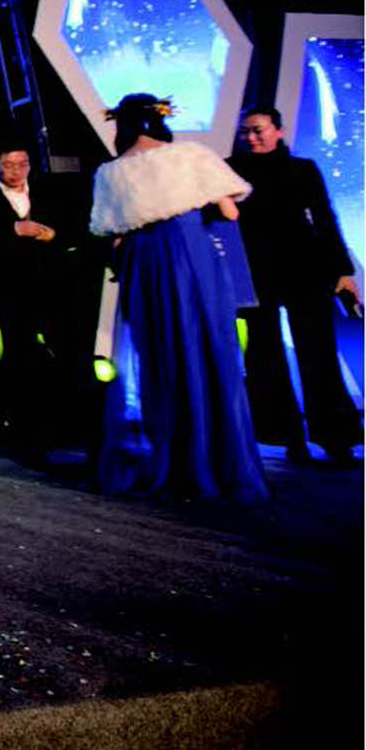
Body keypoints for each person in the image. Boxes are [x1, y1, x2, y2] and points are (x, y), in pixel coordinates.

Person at [90, 93, 265, 502]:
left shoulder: (111, 172)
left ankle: (175, 457)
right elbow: (230, 211)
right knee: (207, 350)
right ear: (159, 119)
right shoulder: (189, 155)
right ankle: (220, 459)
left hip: (144, 264)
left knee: (161, 357)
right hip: (191, 258)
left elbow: (111, 235)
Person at [228, 105, 360, 463]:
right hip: (255, 272)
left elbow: (325, 218)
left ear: (278, 130)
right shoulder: (229, 169)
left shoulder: (302, 169)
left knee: (318, 352)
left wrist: (342, 270)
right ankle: (285, 436)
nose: (251, 138)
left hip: (305, 267)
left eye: (258, 130)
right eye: (245, 132)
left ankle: (336, 438)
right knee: (263, 354)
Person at [0, 139, 79, 461]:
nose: (16, 171)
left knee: (63, 354)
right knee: (18, 357)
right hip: (7, 291)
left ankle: (65, 425)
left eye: (22, 164)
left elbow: (72, 230)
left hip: (51, 287)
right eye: (8, 165)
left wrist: (52, 236)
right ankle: (22, 430)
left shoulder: (47, 192)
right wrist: (13, 230)